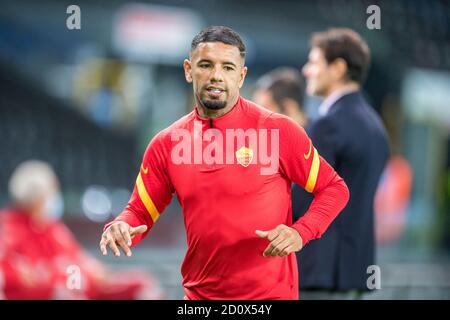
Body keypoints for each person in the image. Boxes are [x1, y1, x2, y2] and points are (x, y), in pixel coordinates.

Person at [99, 26, 349, 300]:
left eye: (228, 68)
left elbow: (334, 189)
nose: (216, 76)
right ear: (188, 70)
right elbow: (139, 212)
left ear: (241, 76)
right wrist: (120, 226)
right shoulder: (167, 144)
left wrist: (301, 232)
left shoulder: (278, 131)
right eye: (206, 65)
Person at [295, 28, 390, 299]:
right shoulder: (375, 125)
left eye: (314, 62)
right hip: (356, 269)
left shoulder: (328, 123)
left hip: (319, 270)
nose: (306, 70)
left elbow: (304, 196)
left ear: (337, 68)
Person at [0, 160, 164, 300]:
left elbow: (81, 262)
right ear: (38, 199)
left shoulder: (51, 227)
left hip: (83, 288)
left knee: (141, 284)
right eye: (52, 191)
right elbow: (20, 276)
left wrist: (89, 271)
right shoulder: (9, 229)